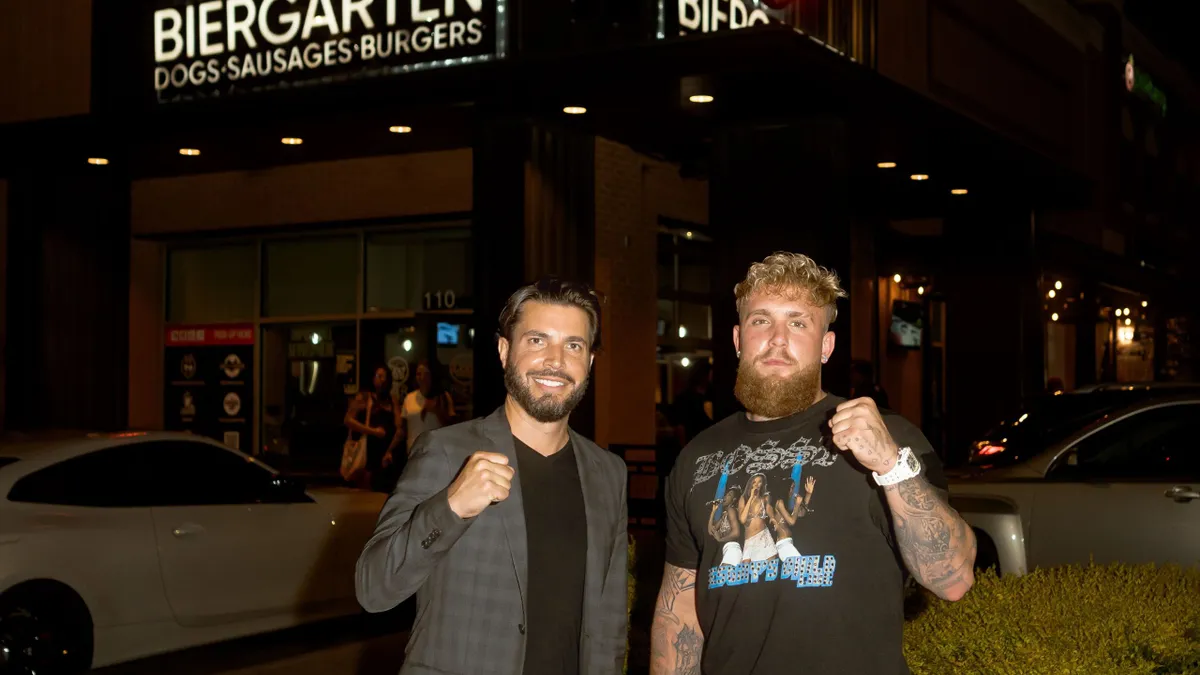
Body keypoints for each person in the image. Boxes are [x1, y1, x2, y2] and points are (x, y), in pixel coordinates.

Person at [651, 252, 975, 675]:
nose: (778, 338)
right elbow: (679, 614)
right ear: (737, 339)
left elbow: (952, 580)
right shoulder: (696, 457)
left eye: (799, 322)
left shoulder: (886, 438)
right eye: (761, 320)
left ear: (826, 346)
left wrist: (891, 464)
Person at [356, 278, 629, 675]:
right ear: (504, 351)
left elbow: (608, 620)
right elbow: (373, 589)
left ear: (588, 362)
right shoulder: (446, 451)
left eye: (573, 345)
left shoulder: (608, 474)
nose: (556, 360)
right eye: (537, 340)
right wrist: (450, 507)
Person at [344, 366, 403, 492]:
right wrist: (372, 431)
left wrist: (391, 449)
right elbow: (348, 420)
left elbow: (399, 428)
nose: (381, 380)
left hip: (386, 452)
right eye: (378, 376)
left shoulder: (392, 400)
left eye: (384, 377)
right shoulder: (365, 397)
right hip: (369, 451)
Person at [397, 359, 456, 460]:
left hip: (436, 454)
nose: (420, 377)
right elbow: (402, 430)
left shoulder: (443, 397)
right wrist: (389, 450)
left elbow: (452, 427)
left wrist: (437, 411)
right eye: (418, 374)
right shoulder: (409, 398)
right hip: (413, 454)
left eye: (424, 374)